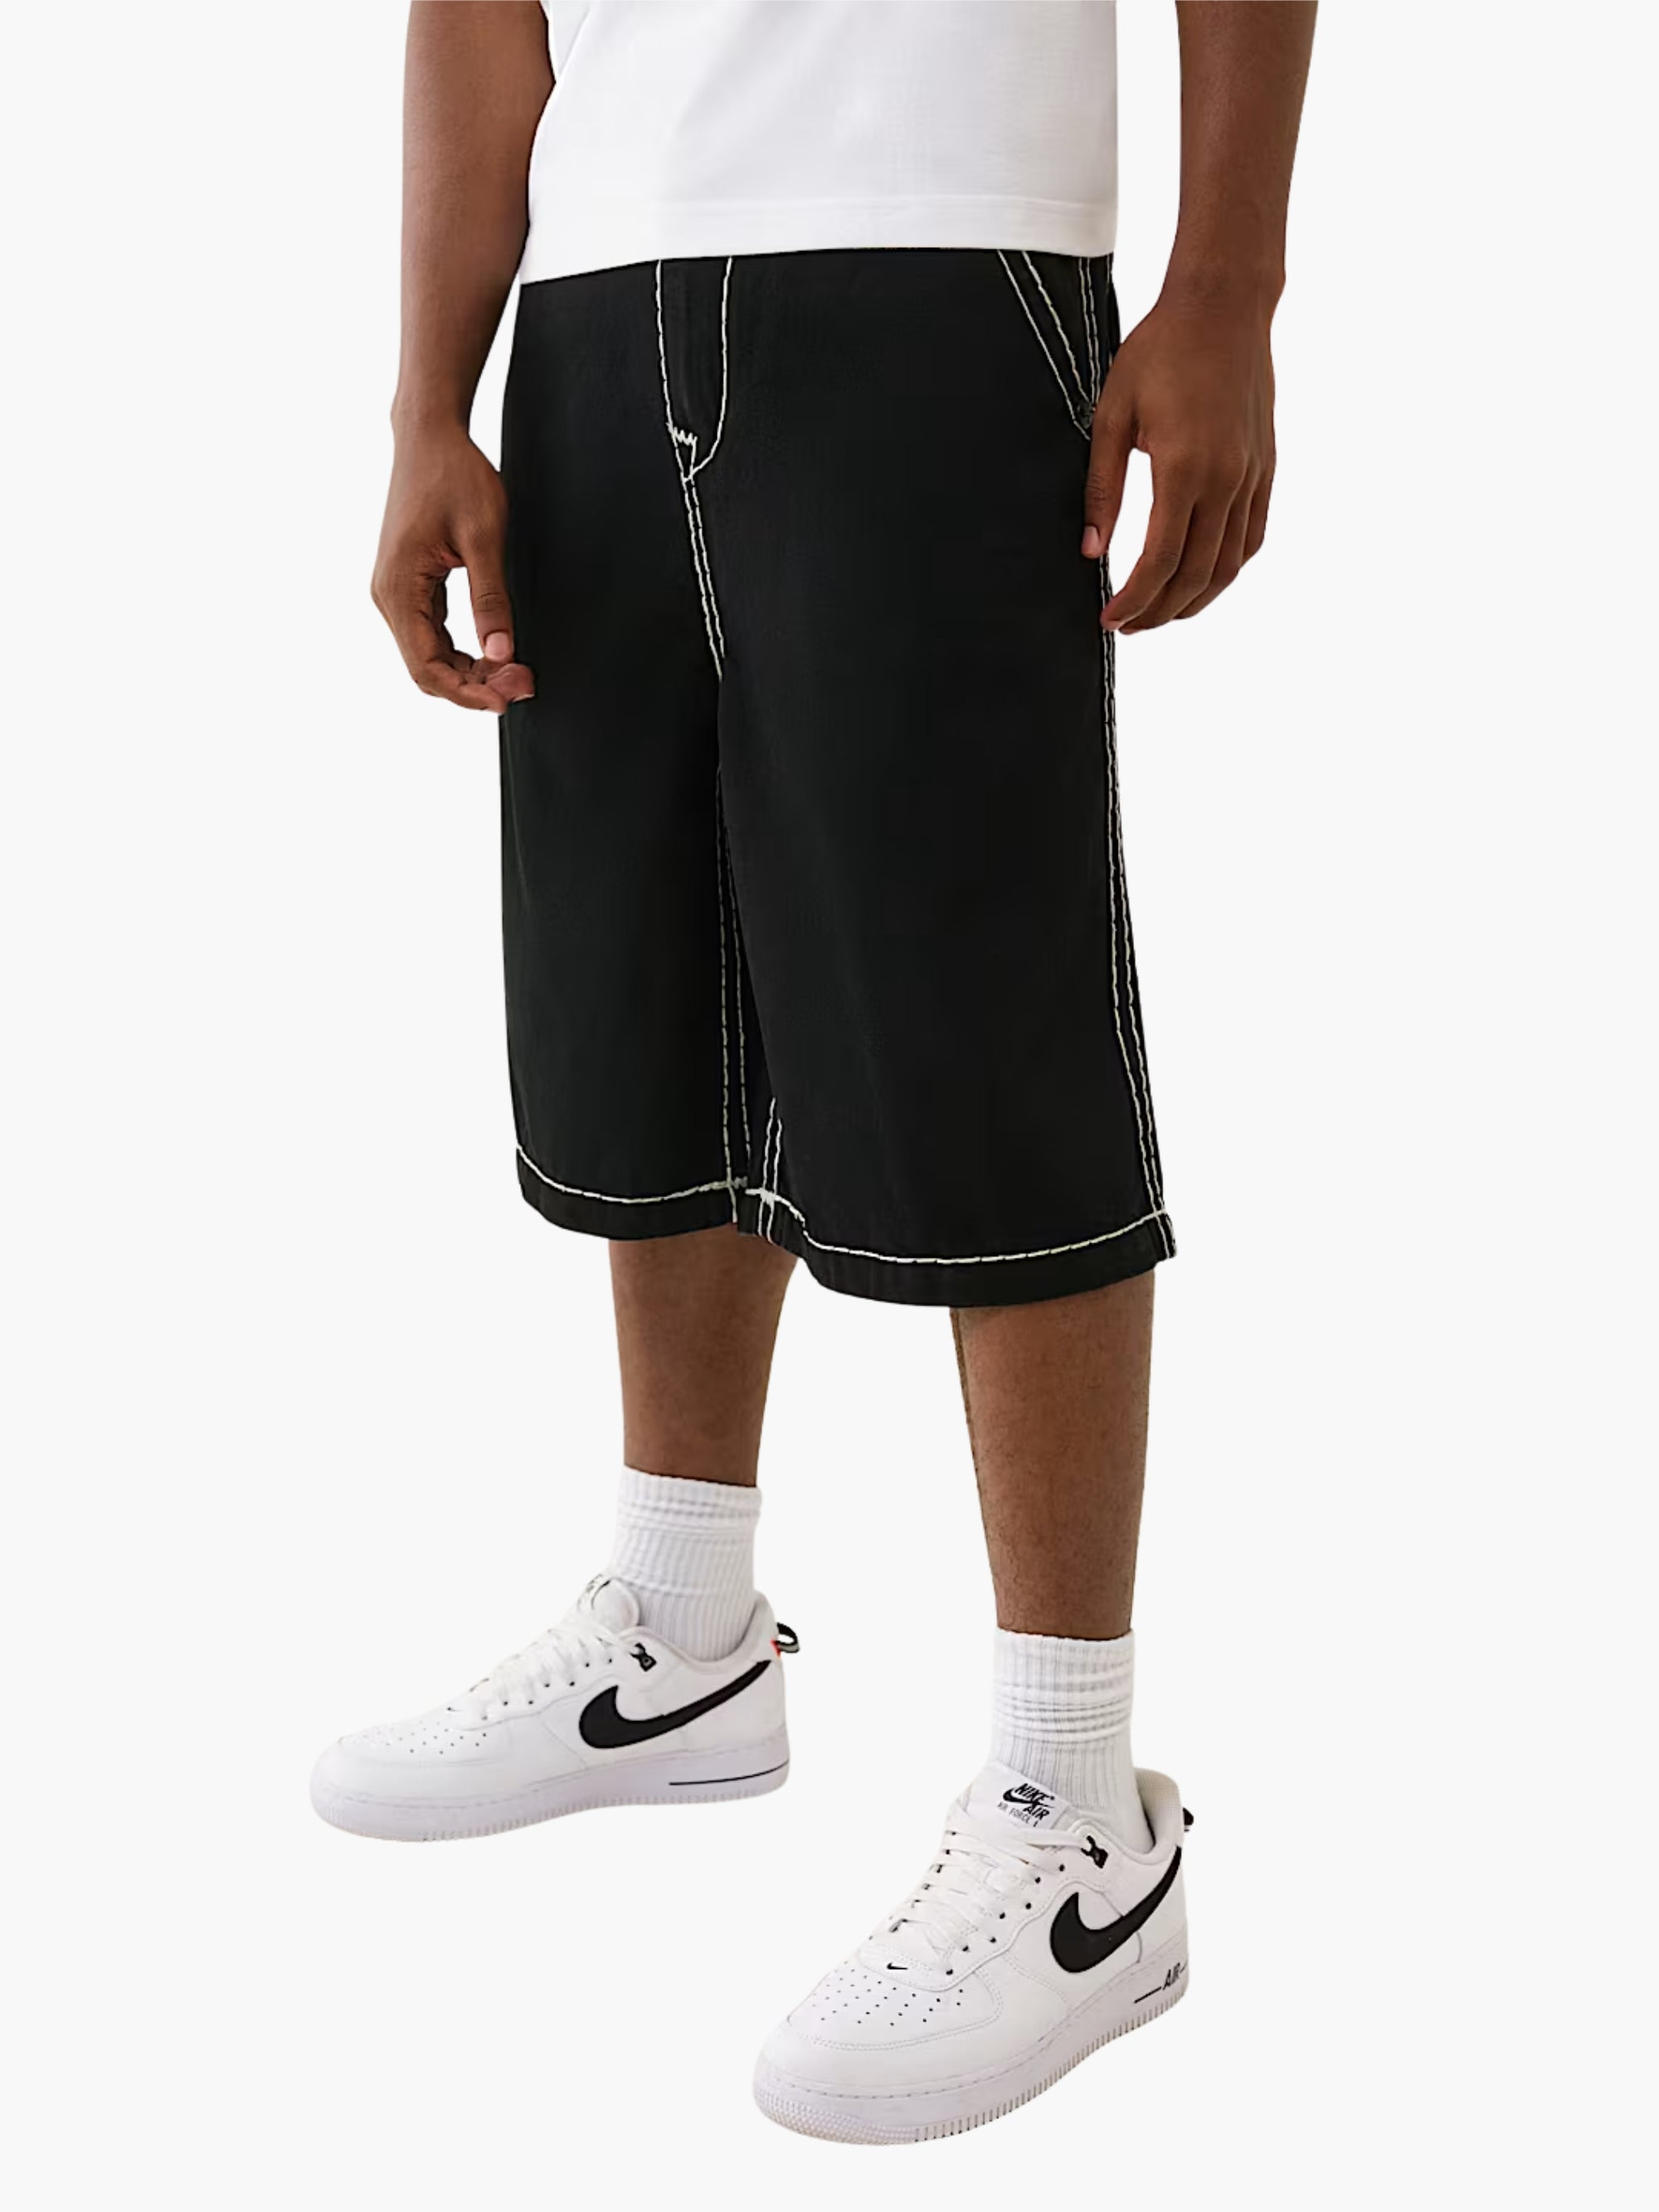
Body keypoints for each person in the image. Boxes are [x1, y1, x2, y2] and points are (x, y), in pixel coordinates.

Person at [313, 0, 1315, 2142]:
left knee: (976, 1015)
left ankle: (1076, 1815)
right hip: (598, 289)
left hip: (937, 254)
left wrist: (1227, 284)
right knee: (644, 971)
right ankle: (680, 1633)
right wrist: (427, 400)